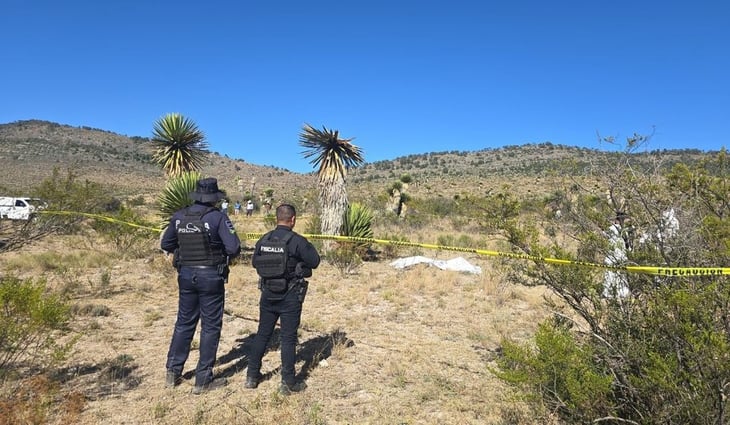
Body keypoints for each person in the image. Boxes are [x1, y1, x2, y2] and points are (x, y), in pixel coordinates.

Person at [160, 177, 241, 394]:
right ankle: (203, 379)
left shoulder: (178, 217)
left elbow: (166, 243)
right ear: (214, 198)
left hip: (186, 275)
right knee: (210, 326)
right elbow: (233, 248)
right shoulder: (217, 218)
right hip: (210, 277)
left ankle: (173, 371)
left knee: (184, 323)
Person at [245, 204, 320, 395]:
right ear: (293, 219)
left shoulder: (264, 239)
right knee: (288, 338)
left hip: (268, 294)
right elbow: (315, 261)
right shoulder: (297, 241)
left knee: (262, 334)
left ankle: (252, 376)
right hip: (290, 296)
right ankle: (288, 382)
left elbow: (255, 262)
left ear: (276, 218)